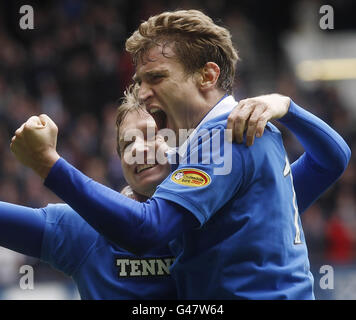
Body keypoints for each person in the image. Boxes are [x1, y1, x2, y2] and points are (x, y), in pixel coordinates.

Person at [10, 10, 351, 299]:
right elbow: (332, 159)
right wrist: (288, 109)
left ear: (207, 75)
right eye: (127, 144)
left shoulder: (232, 139)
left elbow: (146, 229)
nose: (143, 93)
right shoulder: (87, 227)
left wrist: (48, 164)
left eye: (156, 77)